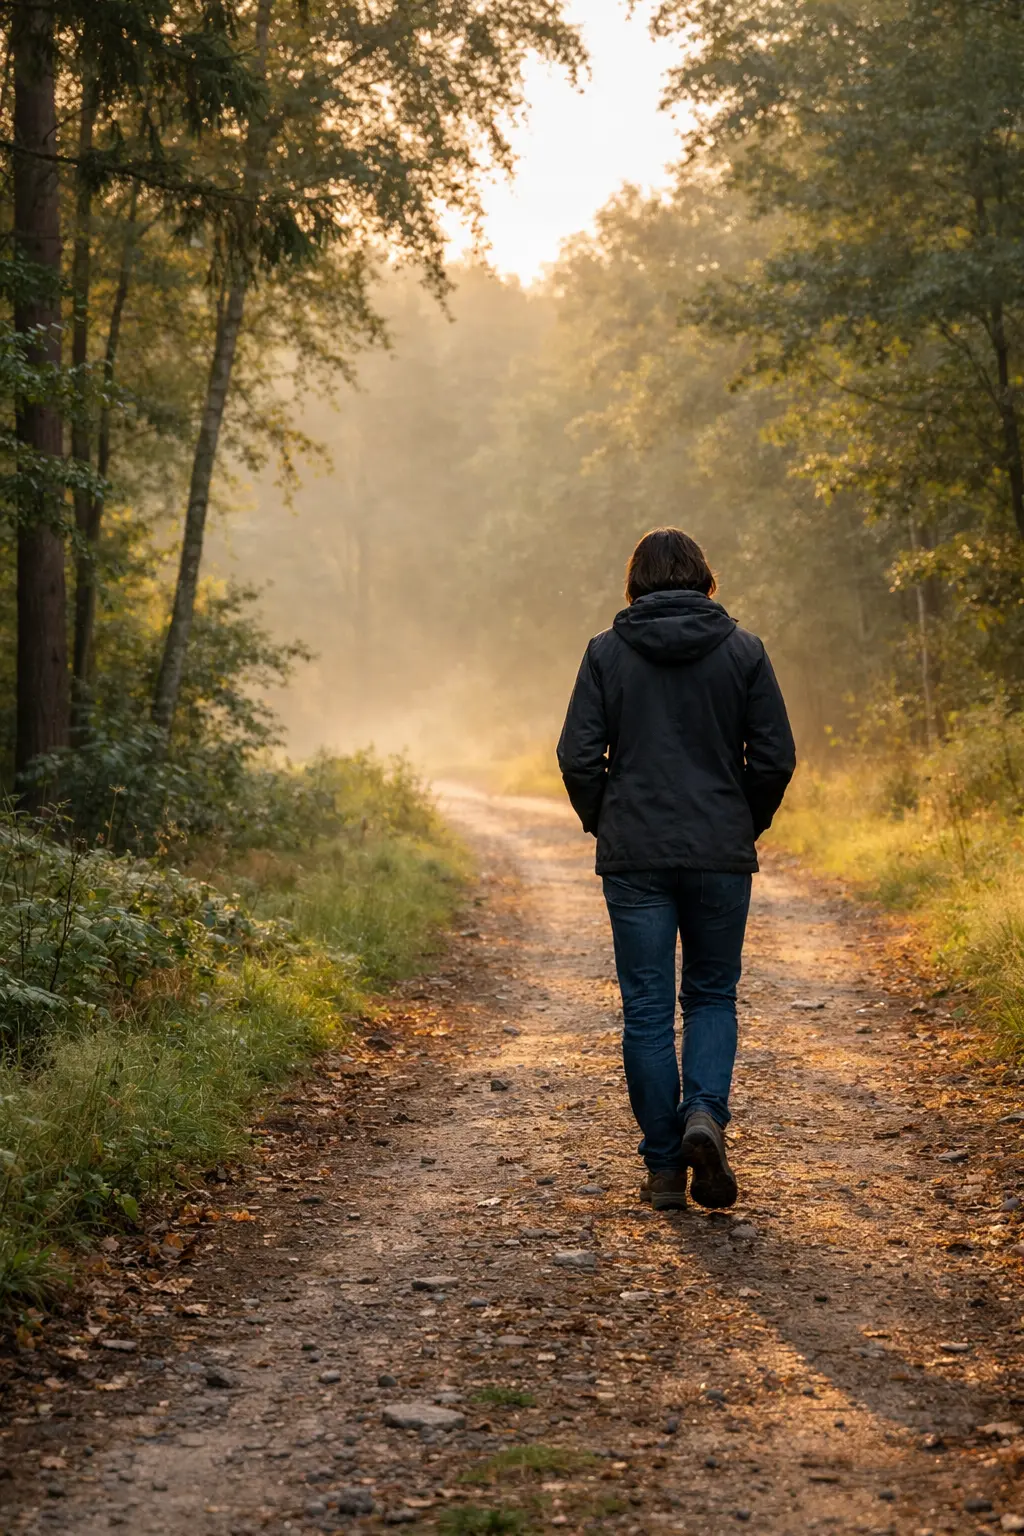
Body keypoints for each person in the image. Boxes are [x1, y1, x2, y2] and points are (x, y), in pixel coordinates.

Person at [557, 528, 796, 1212]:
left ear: (635, 581)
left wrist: (609, 820)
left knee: (647, 1009)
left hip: (636, 853)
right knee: (712, 996)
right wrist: (741, 821)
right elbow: (774, 758)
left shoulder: (605, 652)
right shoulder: (744, 650)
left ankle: (665, 1168)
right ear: (704, 577)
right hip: (719, 851)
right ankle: (704, 1115)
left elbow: (578, 757)